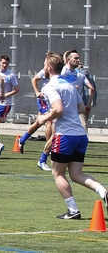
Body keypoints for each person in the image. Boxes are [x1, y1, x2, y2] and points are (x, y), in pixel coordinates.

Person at [35, 51, 108, 220]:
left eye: (45, 65)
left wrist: (43, 118)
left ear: (50, 67)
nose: (44, 68)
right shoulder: (69, 84)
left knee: (58, 173)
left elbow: (58, 109)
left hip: (65, 135)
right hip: (80, 135)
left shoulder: (50, 87)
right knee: (76, 174)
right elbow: (82, 108)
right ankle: (103, 191)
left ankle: (73, 210)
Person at [19, 64, 56, 171]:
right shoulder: (46, 70)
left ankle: (22, 139)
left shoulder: (62, 72)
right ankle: (47, 152)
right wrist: (37, 92)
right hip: (44, 100)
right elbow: (34, 79)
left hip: (51, 100)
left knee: (38, 123)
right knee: (49, 123)